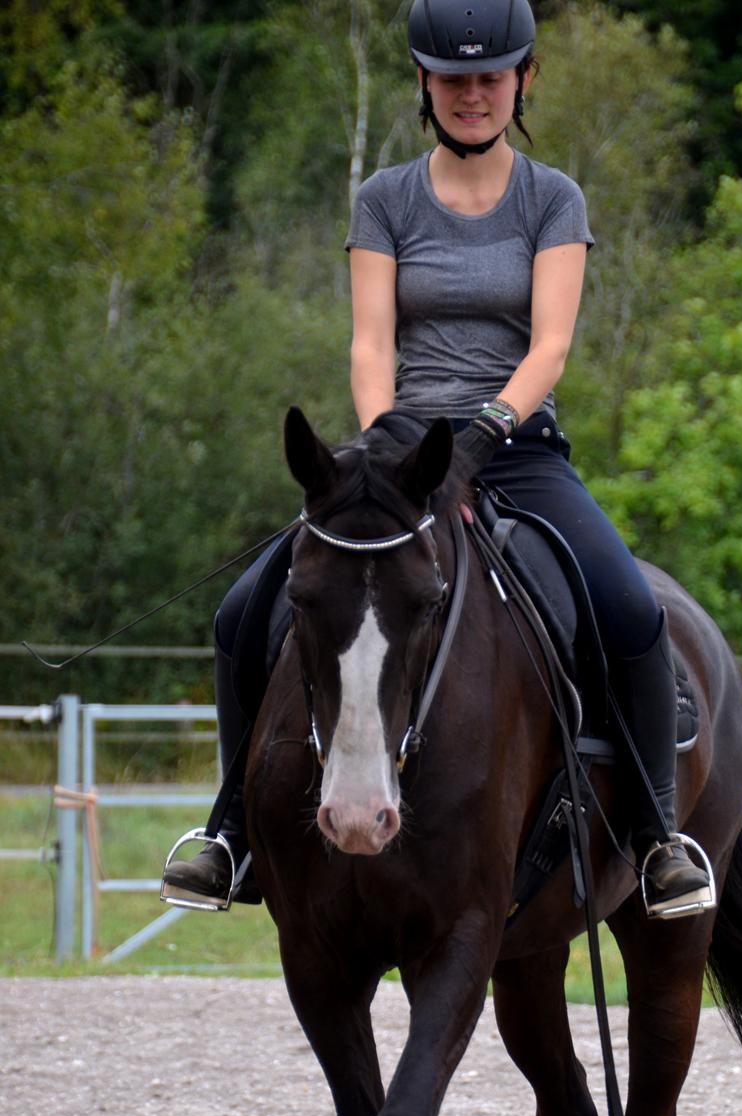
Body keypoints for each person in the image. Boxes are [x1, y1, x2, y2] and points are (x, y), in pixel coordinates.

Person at [162, 0, 712, 919]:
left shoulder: (553, 198)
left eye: (490, 77)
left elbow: (551, 346)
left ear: (522, 80)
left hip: (516, 447)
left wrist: (489, 430)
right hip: (400, 458)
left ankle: (658, 839)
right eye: (453, 79)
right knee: (240, 612)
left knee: (627, 607)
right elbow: (371, 343)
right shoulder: (384, 198)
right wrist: (391, 451)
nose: (471, 95)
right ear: (424, 82)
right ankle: (232, 833)